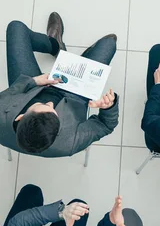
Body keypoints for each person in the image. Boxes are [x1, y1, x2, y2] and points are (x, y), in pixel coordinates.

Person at [0, 13, 119, 157]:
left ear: (20, 117)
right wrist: (108, 108)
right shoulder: (69, 143)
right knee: (109, 43)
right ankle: (82, 61)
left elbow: (9, 93)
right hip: (74, 96)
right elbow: (106, 125)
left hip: (34, 86)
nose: (50, 103)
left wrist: (35, 81)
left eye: (42, 106)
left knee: (16, 27)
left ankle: (54, 45)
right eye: (53, 112)